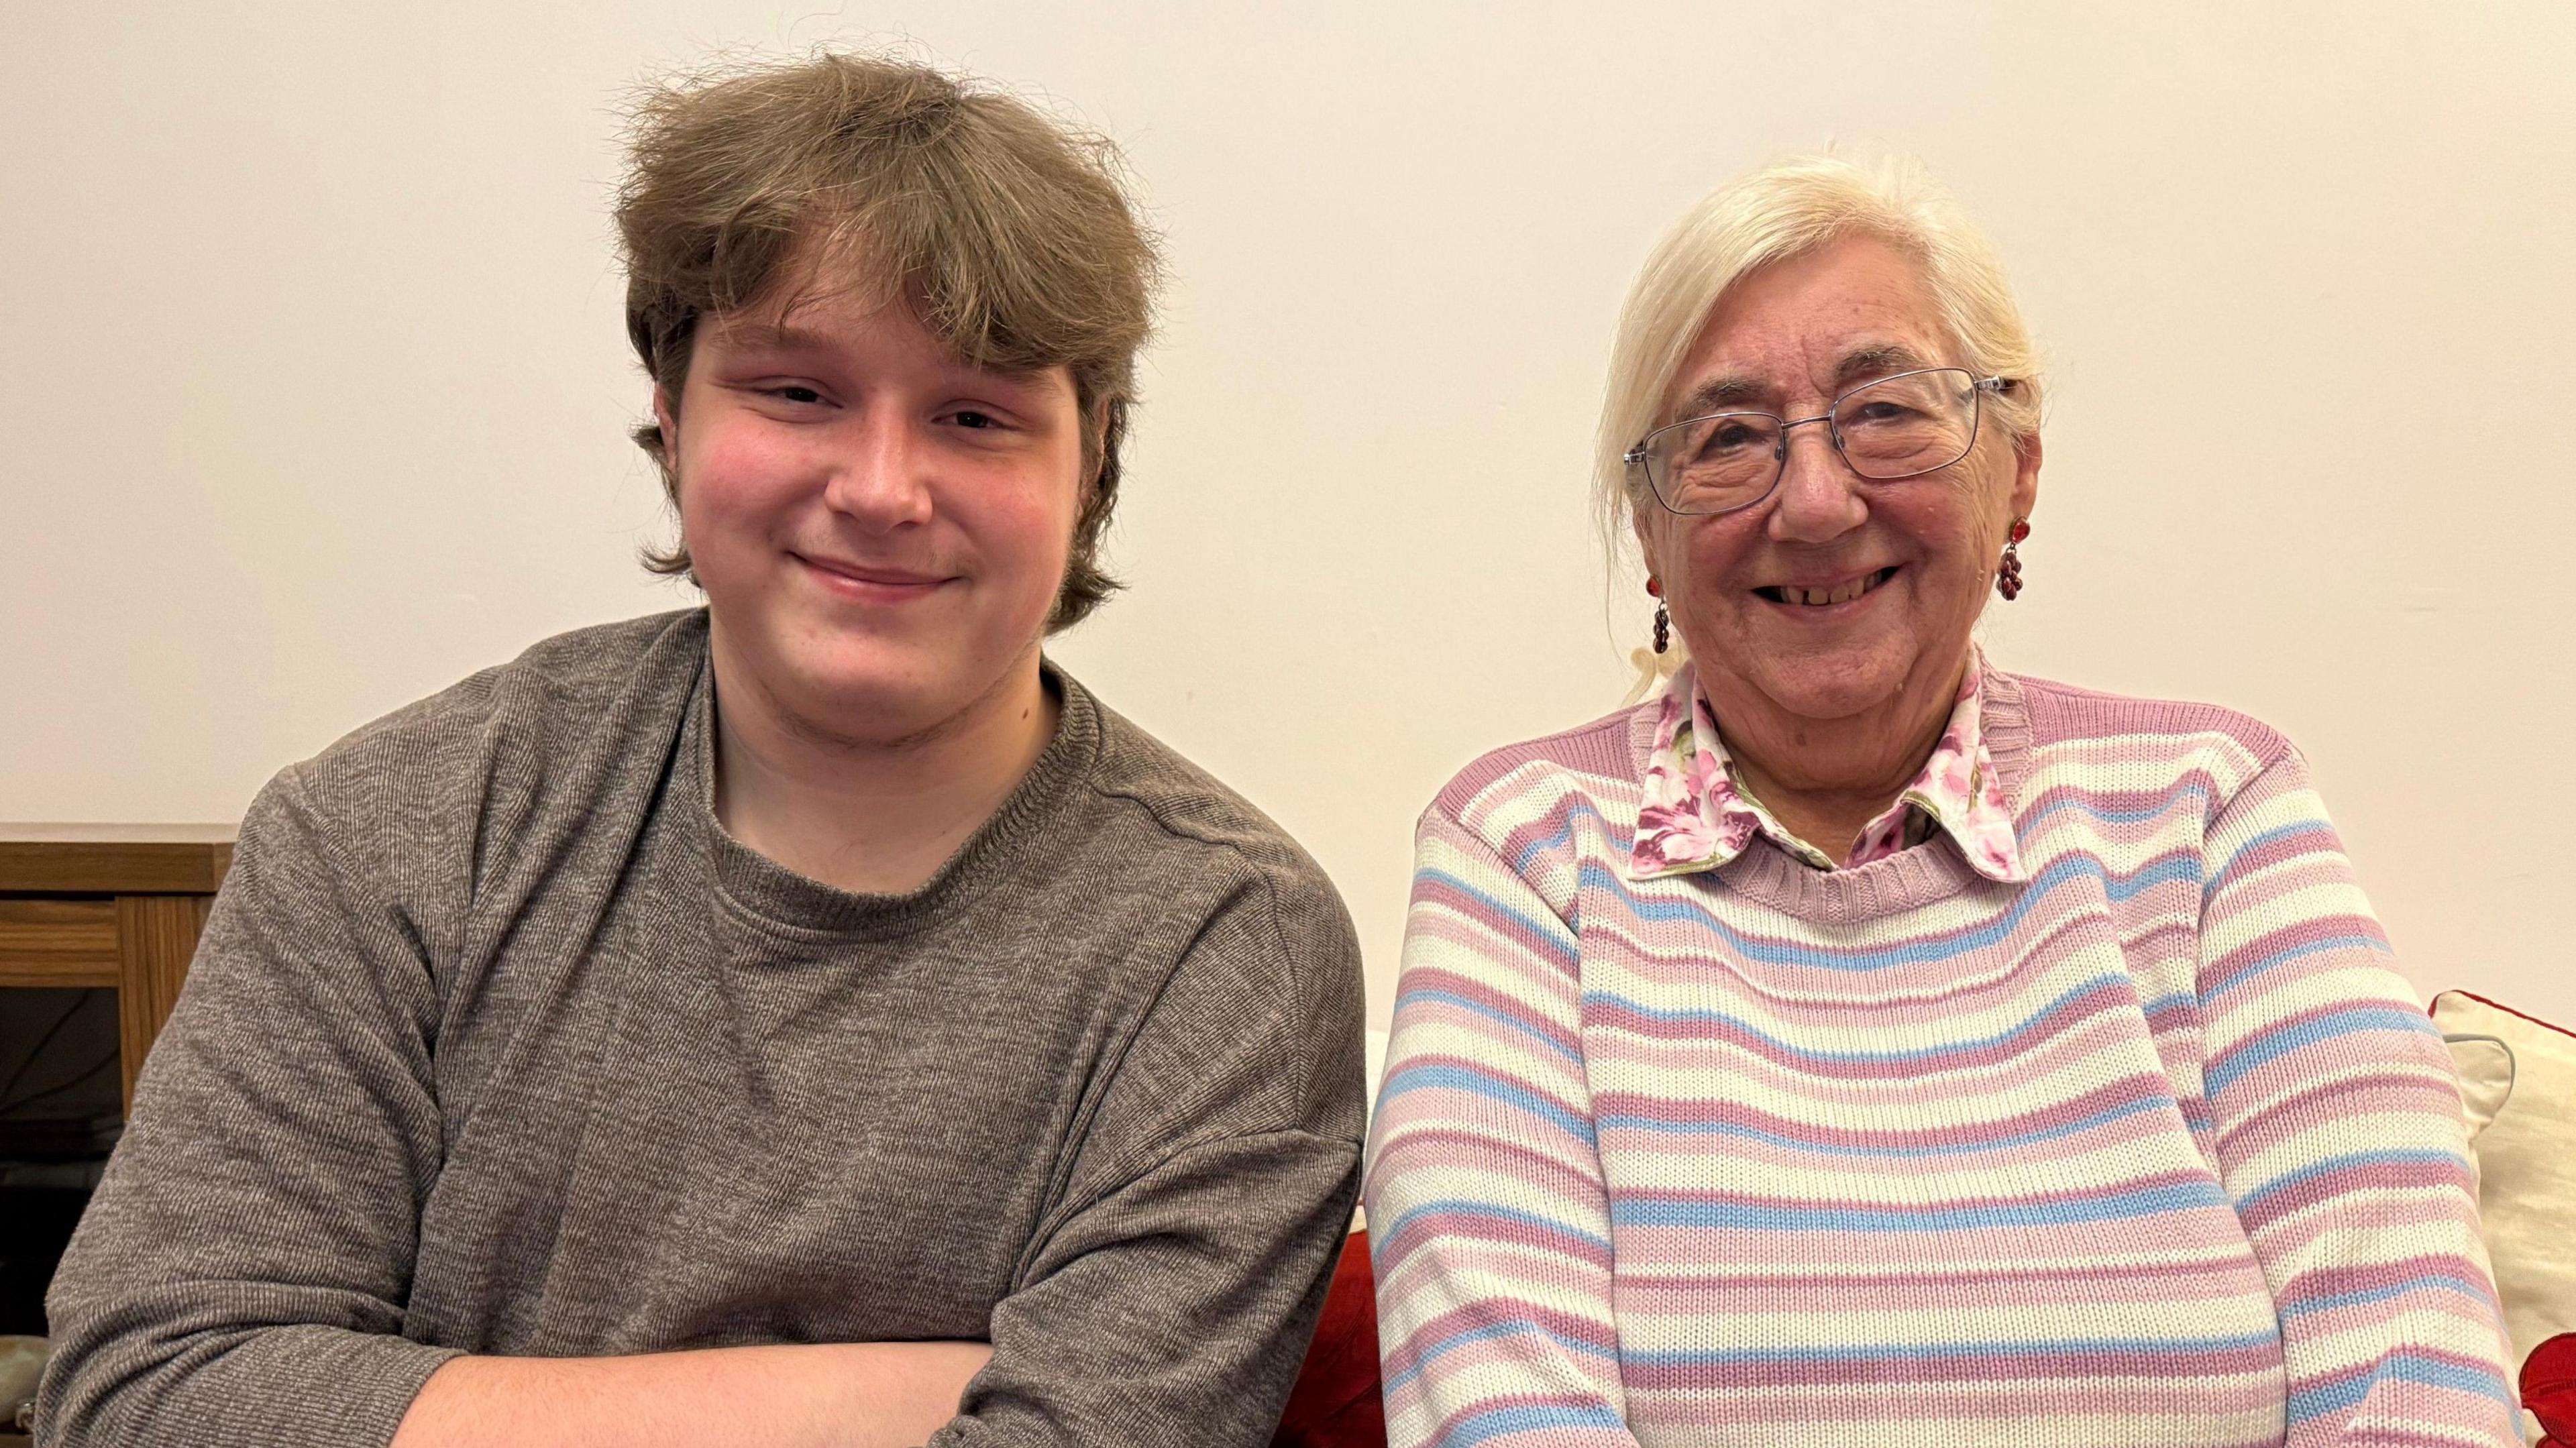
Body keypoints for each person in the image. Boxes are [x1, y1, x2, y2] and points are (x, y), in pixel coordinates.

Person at [39, 53, 1366, 1448]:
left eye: (975, 416)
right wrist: (906, 1389)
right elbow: (146, 1397)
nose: (880, 490)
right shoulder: (393, 830)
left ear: (1087, 468)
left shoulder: (1226, 946)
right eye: (798, 393)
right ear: (674, 423)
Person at [1362, 155, 2518, 1447]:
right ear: (1651, 529)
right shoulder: (1522, 854)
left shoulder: (2214, 812)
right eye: (1729, 436)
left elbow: (2413, 1389)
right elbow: (1506, 1416)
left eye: (1887, 411)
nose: (1813, 501)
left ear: (2017, 468)